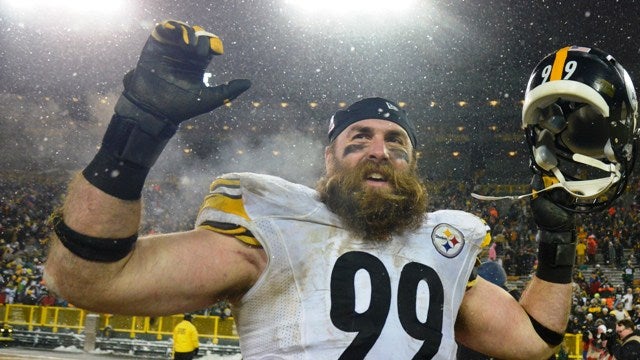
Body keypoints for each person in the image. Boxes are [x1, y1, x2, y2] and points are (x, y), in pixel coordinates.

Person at [42, 21, 637, 359]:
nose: (379, 150)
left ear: (412, 163)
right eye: (359, 139)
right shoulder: (270, 226)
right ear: (328, 158)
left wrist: (558, 244)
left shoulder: (447, 243)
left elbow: (533, 341)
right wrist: (134, 134)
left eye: (396, 142)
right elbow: (90, 279)